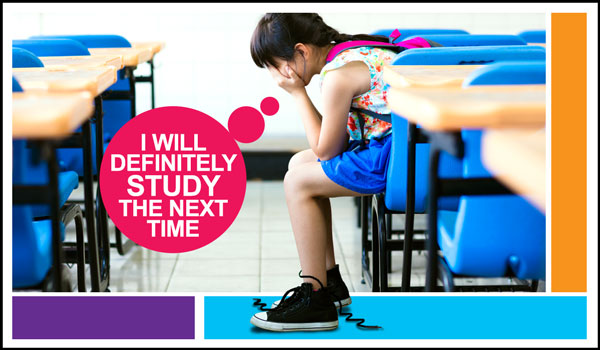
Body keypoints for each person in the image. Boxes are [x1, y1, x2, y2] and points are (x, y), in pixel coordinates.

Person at [249, 13, 396, 332]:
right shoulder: (353, 52)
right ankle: (330, 284)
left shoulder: (338, 76)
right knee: (299, 165)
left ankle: (315, 299)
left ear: (300, 52)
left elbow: (327, 151)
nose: (277, 75)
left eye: (275, 65)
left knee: (297, 182)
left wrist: (297, 94)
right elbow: (333, 143)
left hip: (392, 158)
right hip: (405, 148)